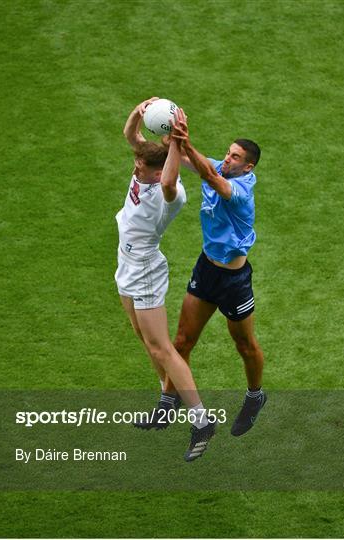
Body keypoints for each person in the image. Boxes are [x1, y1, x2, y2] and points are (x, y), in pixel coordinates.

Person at [141, 108, 267, 436]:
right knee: (181, 341)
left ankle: (255, 396)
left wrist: (186, 143)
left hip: (234, 281)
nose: (227, 159)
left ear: (248, 166)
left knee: (244, 345)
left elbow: (212, 178)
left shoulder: (241, 192)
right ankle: (167, 405)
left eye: (235, 157)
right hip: (206, 269)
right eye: (227, 152)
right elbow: (181, 154)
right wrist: (167, 128)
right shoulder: (217, 165)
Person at [115, 98, 216, 461]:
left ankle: (202, 421)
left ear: (156, 172)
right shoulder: (146, 167)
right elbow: (132, 137)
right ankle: (166, 401)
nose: (135, 165)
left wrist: (176, 141)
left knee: (163, 347)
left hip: (143, 269)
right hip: (125, 263)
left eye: (141, 164)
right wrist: (139, 112)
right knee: (143, 336)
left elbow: (171, 178)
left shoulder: (167, 194)